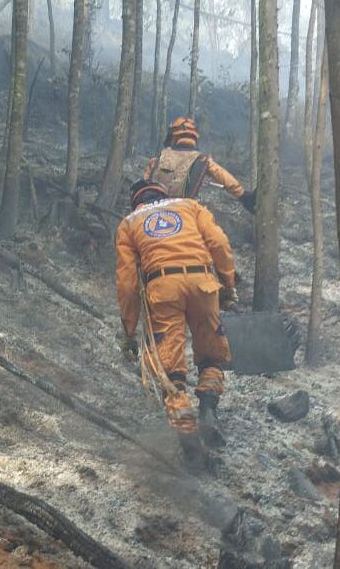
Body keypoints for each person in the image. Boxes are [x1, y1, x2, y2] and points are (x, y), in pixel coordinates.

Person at [115, 179, 238, 468]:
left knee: (170, 372)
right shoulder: (189, 206)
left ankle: (191, 445)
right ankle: (208, 407)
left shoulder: (129, 223)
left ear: (136, 201)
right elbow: (219, 242)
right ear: (162, 193)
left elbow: (127, 283)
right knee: (211, 355)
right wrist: (228, 284)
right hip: (202, 283)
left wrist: (129, 332)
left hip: (163, 288)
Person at [144, 117, 256, 213]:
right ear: (194, 137)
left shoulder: (158, 159)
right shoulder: (201, 160)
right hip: (184, 213)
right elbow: (222, 175)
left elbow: (144, 186)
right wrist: (243, 196)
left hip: (152, 212)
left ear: (172, 136)